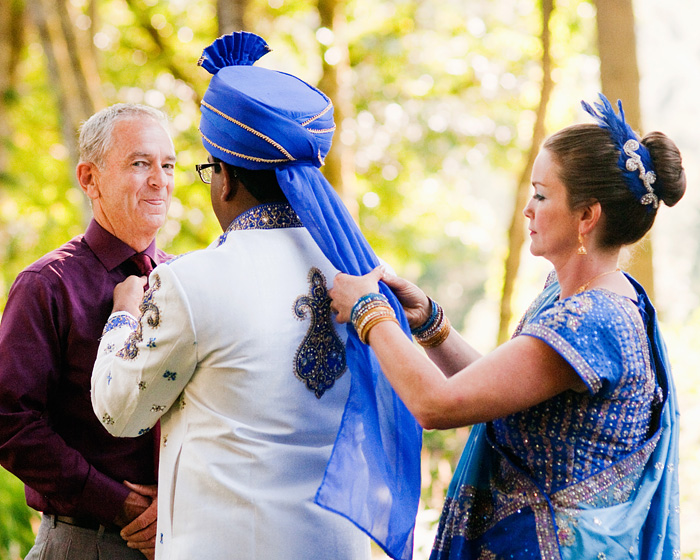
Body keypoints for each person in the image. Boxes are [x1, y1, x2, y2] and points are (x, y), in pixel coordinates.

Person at [90, 32, 422, 560]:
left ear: (224, 179)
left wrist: (124, 320)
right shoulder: (365, 277)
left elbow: (119, 412)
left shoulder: (193, 282)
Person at [329, 94, 684, 560]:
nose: (527, 210)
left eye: (541, 194)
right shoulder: (571, 297)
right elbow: (502, 396)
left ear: (586, 215)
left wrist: (368, 312)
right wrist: (431, 325)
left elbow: (436, 406)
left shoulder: (594, 319)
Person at [0, 103, 176, 560]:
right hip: (87, 542)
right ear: (89, 179)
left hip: (184, 539)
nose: (159, 179)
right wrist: (118, 504)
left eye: (168, 165)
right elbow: (8, 420)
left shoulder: (187, 284)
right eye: (140, 164)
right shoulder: (47, 285)